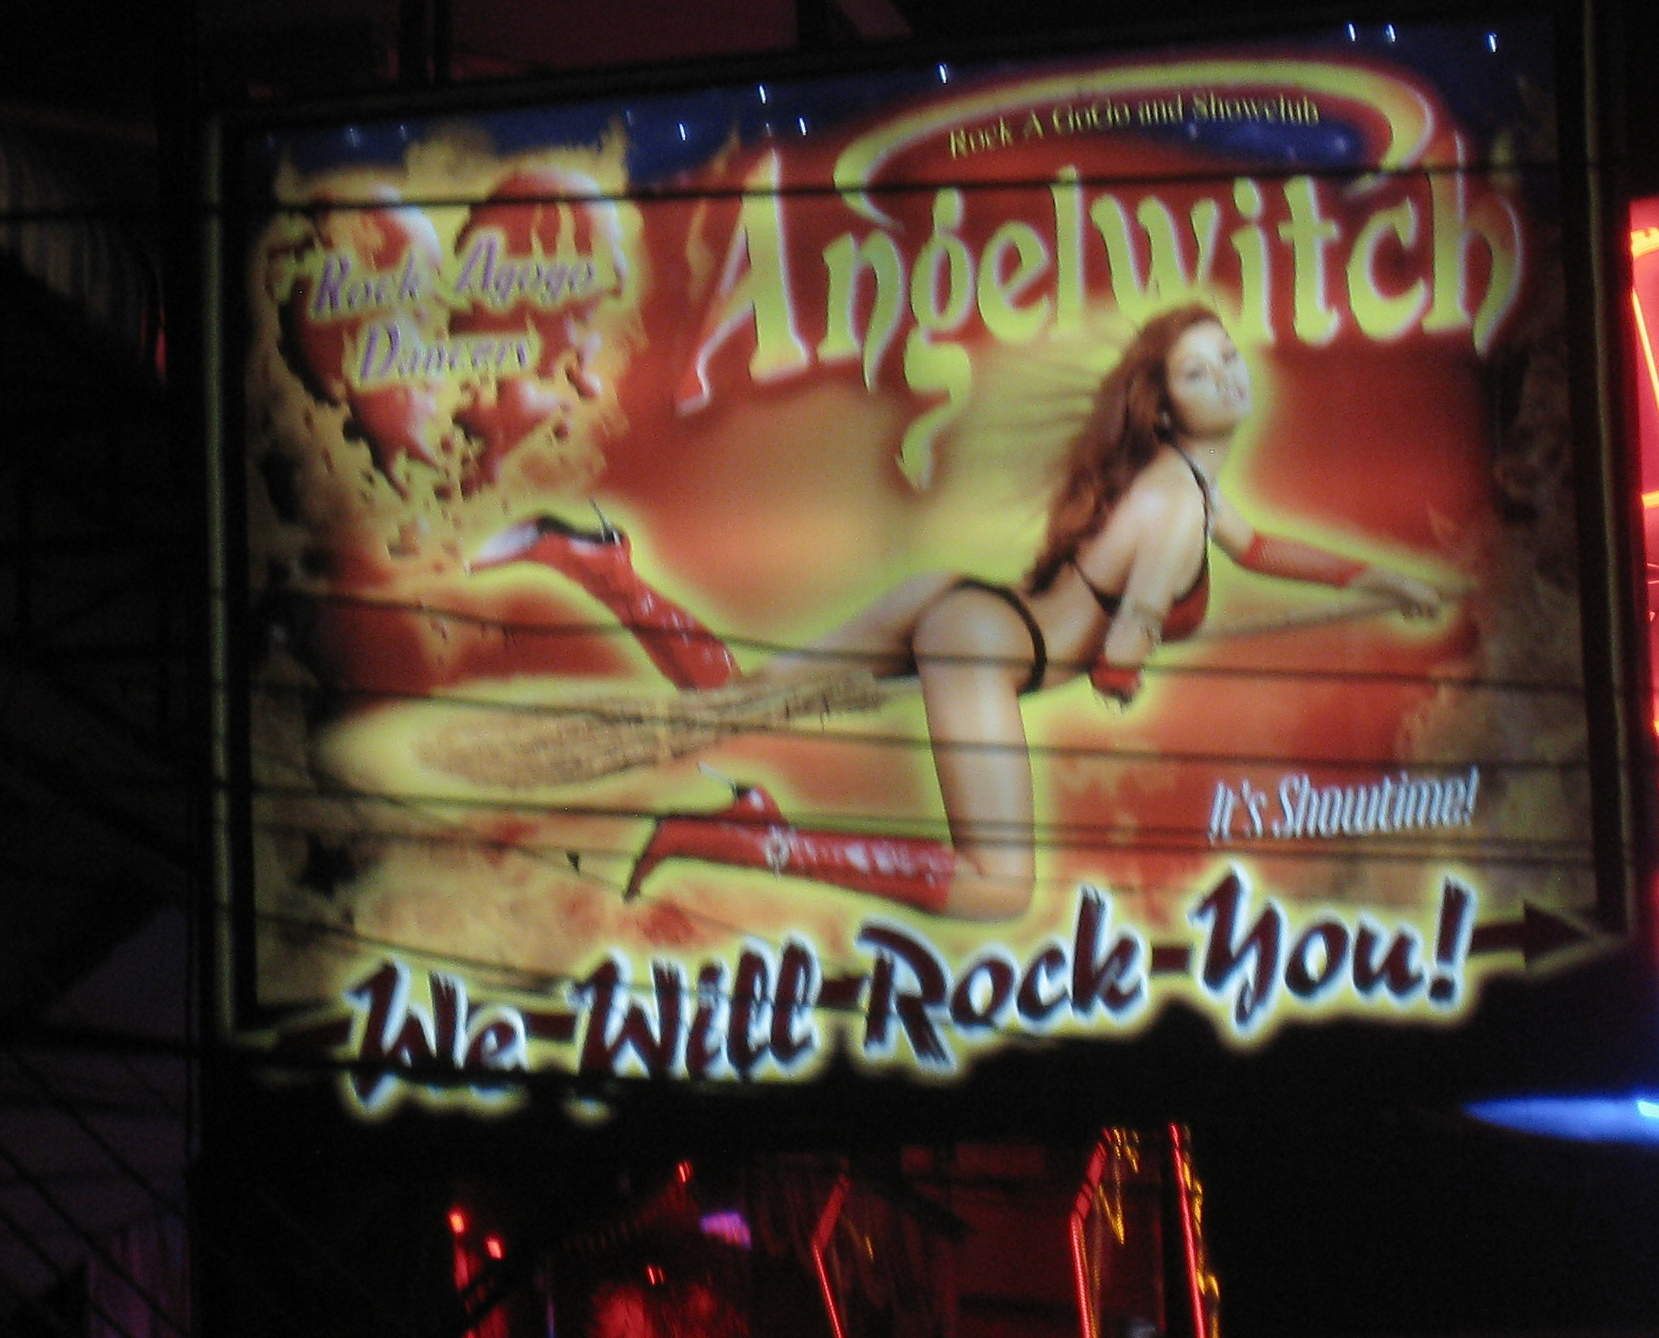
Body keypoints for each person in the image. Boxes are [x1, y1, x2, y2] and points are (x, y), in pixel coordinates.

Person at [484, 303, 1442, 921]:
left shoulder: (1186, 483)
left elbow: (1262, 548)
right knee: (997, 888)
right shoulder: (1176, 500)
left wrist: (1381, 580)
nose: (1229, 373)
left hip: (955, 604)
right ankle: (744, 837)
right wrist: (1123, 662)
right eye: (1199, 371)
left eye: (1228, 356)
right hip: (986, 647)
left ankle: (599, 563)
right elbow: (1132, 623)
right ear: (1162, 406)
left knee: (732, 700)